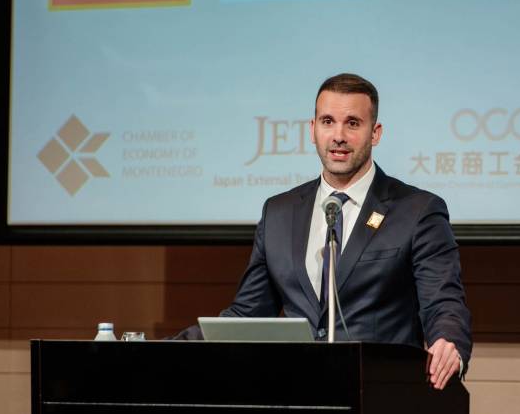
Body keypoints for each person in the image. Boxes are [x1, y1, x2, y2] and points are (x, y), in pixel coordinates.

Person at [176, 73, 472, 390]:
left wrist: (448, 340)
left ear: (375, 133)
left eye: (353, 123)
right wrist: (163, 348)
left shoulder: (417, 211)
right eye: (328, 122)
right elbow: (247, 315)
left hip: (380, 391)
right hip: (297, 390)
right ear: (312, 129)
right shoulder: (279, 213)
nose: (338, 136)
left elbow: (443, 302)